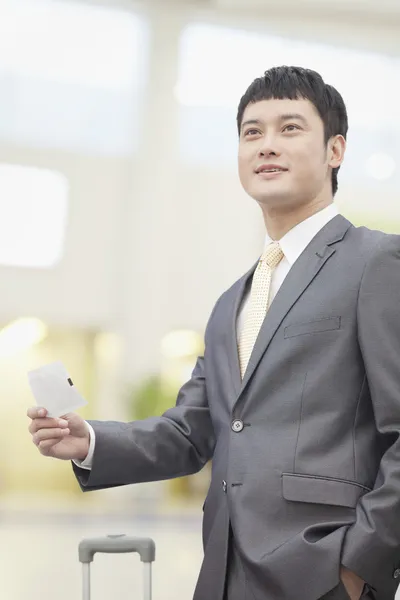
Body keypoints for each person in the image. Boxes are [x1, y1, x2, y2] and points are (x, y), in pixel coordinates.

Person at [27, 66, 400, 600]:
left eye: (290, 128)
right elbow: (193, 429)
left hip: (326, 573)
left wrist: (359, 564)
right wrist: (90, 442)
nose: (266, 145)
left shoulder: (377, 262)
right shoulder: (235, 301)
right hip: (224, 570)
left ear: (335, 150)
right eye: (252, 132)